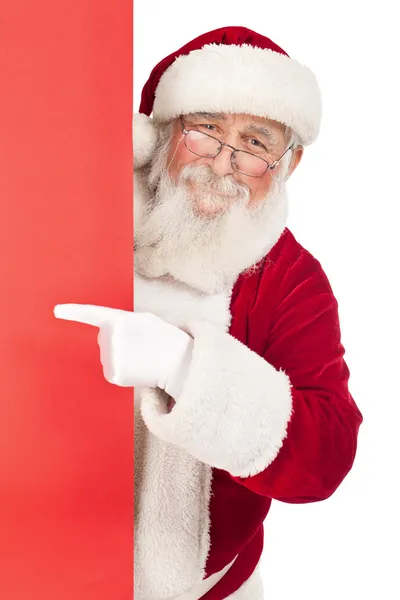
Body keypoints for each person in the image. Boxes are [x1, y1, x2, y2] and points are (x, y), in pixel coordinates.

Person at [55, 26, 363, 600]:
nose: (224, 162)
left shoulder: (293, 279)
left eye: (255, 144)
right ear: (161, 133)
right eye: (205, 130)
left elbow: (327, 454)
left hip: (205, 589)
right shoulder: (78, 216)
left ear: (286, 167)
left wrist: (186, 368)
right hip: (43, 565)